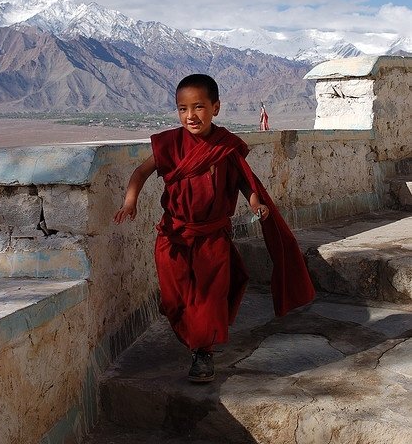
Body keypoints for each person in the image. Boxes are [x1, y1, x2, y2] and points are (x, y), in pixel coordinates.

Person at [114, 74, 315, 383]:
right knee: (172, 299)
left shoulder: (225, 146)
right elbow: (141, 173)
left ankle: (203, 353)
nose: (190, 116)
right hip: (174, 235)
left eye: (198, 107)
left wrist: (256, 206)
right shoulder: (169, 143)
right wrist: (130, 201)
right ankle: (196, 339)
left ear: (215, 107)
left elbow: (244, 183)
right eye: (182, 109)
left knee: (208, 299)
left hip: (212, 237)